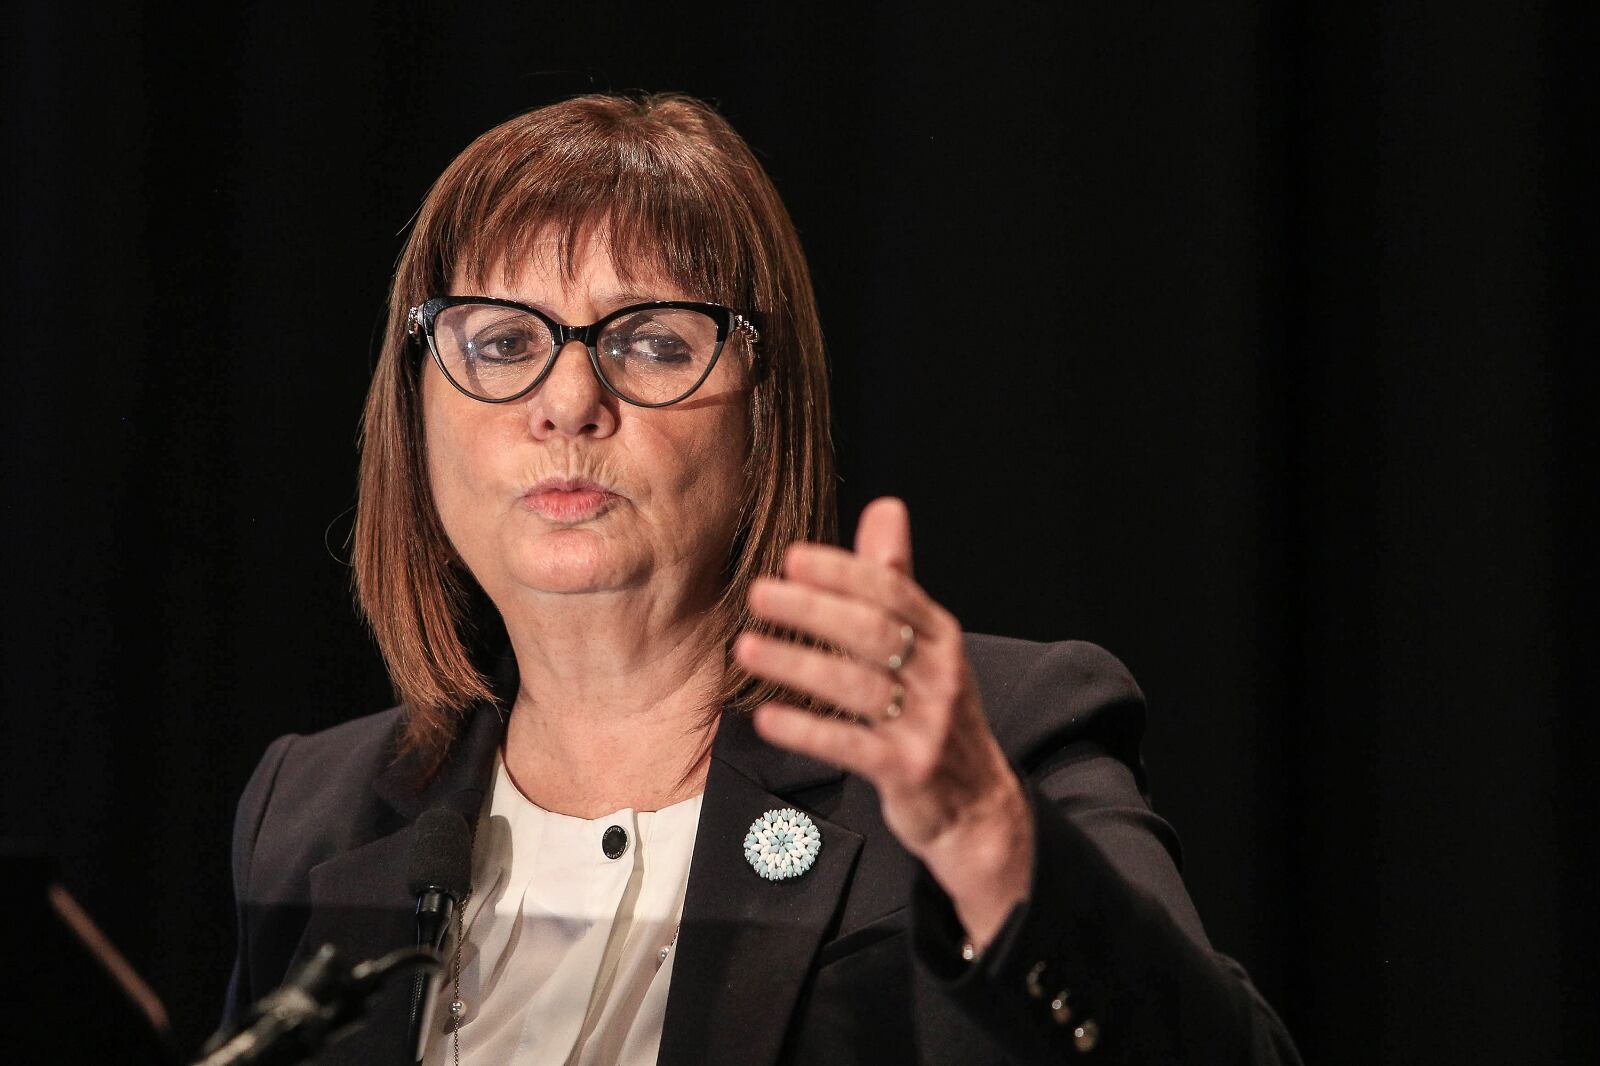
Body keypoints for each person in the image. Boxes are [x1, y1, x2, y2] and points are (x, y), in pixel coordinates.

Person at [222, 93, 1301, 1065]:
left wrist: (987, 837)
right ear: (415, 409)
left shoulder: (995, 741)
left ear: (765, 411)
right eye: (502, 342)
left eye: (650, 342)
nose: (567, 403)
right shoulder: (314, 812)